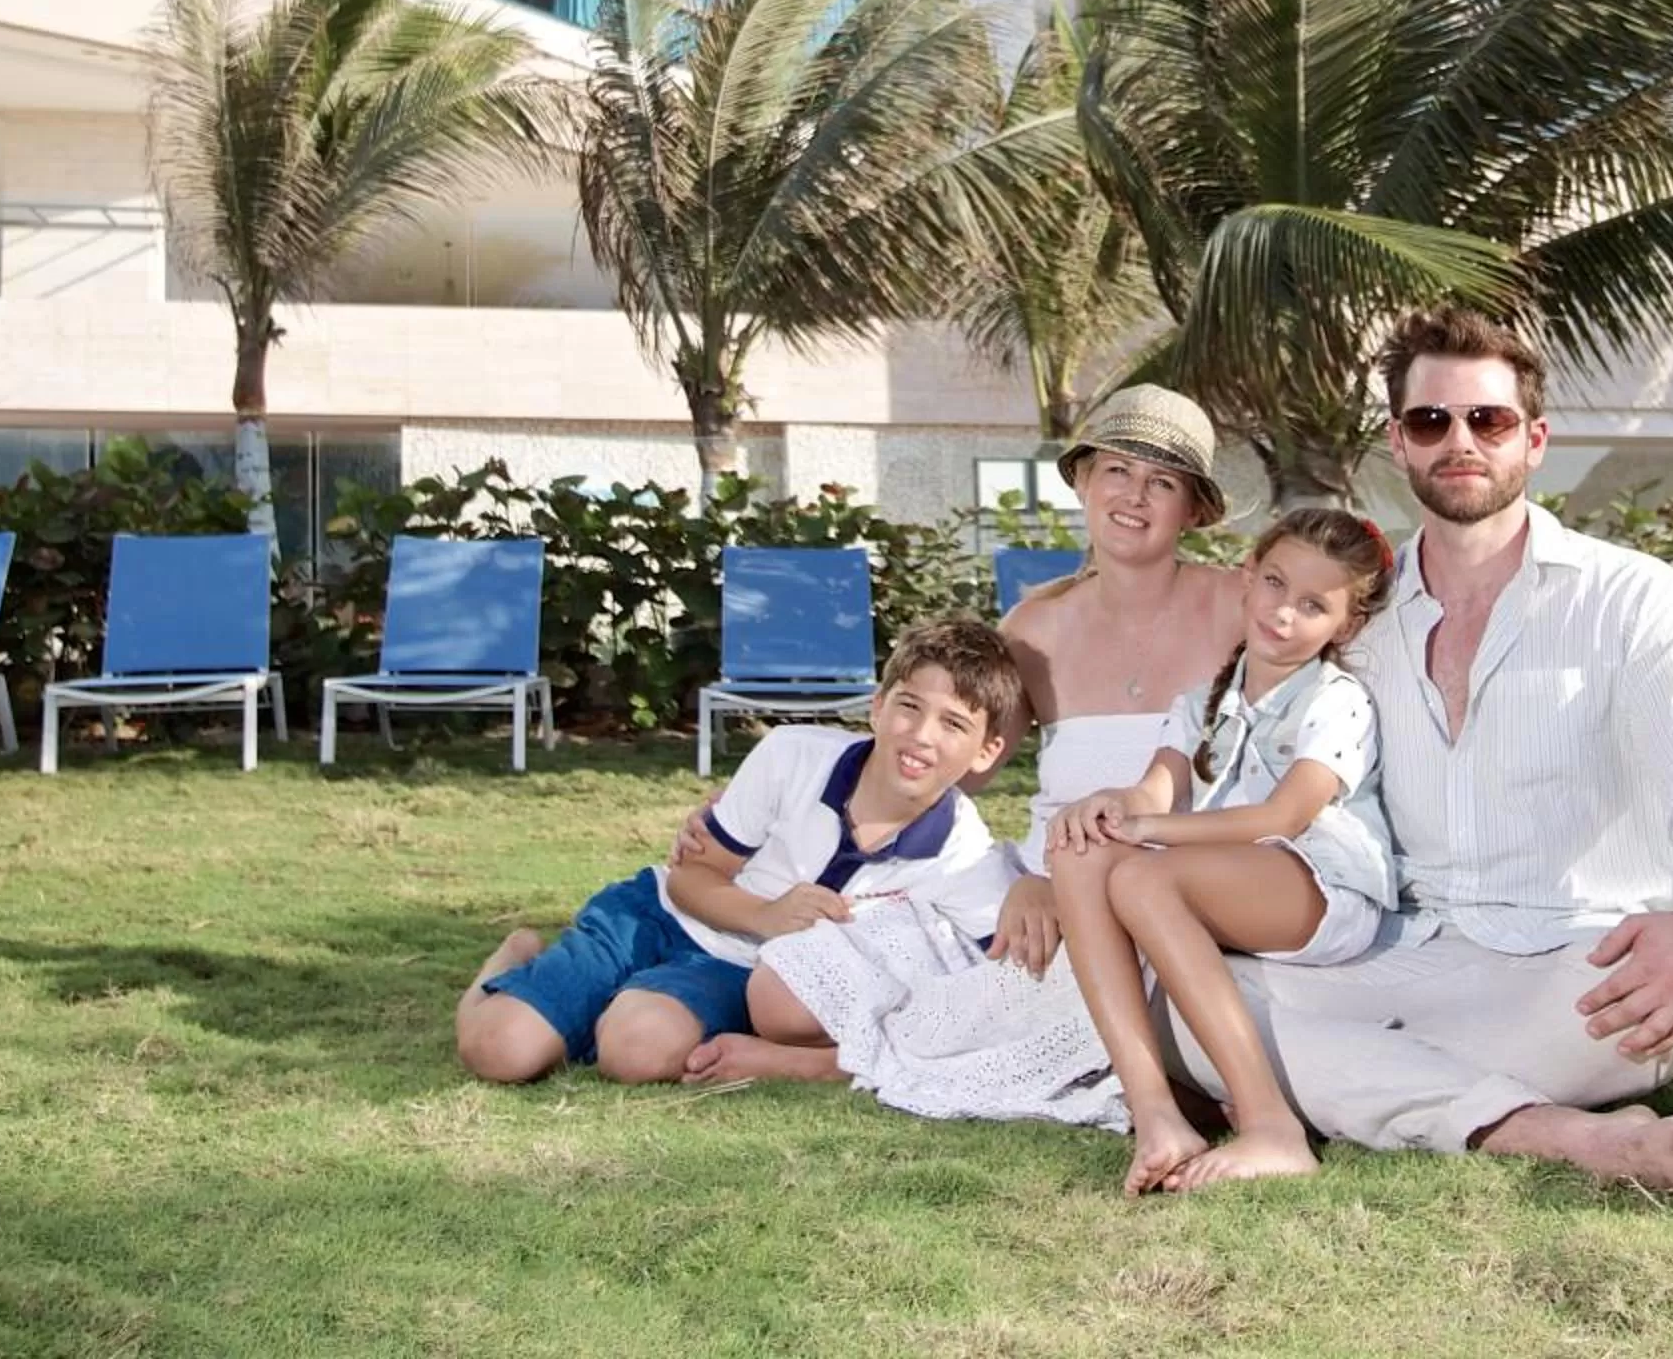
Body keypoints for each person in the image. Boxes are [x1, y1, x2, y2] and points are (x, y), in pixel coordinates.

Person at [1165, 306, 1673, 1207]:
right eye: (1431, 421)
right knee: (1181, 1002)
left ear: (1534, 440)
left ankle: (1331, 1087)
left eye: (1488, 420)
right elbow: (1251, 735)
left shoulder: (1632, 598)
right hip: (1402, 948)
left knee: (1253, 1045)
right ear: (1399, 442)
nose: (1459, 441)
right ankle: (1564, 1135)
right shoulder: (1358, 618)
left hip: (1581, 964)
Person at [675, 386, 1245, 1122]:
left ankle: (842, 1064)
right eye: (1116, 471)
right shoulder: (1037, 626)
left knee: (1072, 1008)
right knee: (783, 989)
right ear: (1082, 480)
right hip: (1046, 890)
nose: (1133, 496)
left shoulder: (1240, 608)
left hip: (1173, 891)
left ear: (1193, 508)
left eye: (1162, 482)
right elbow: (946, 758)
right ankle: (875, 1051)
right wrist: (760, 796)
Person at [454, 618, 1023, 1086]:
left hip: (735, 967)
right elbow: (690, 877)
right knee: (499, 1051)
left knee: (637, 1053)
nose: (921, 735)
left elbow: (1000, 983)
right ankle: (517, 958)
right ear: (877, 706)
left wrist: (1040, 887)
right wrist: (767, 915)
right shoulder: (794, 755)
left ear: (987, 751)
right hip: (660, 913)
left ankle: (600, 1010)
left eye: (953, 723)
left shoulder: (964, 852)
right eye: (909, 706)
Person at [1048, 506, 1397, 1194]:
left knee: (1145, 880)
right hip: (1232, 875)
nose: (1283, 613)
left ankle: (1272, 1127)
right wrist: (1112, 808)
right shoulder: (1203, 701)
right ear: (1248, 574)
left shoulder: (1337, 701)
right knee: (1081, 852)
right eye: (1275, 583)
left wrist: (1150, 832)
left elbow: (1282, 817)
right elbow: (1153, 791)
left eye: (1313, 605)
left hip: (1322, 887)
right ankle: (1156, 1114)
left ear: (1346, 625)